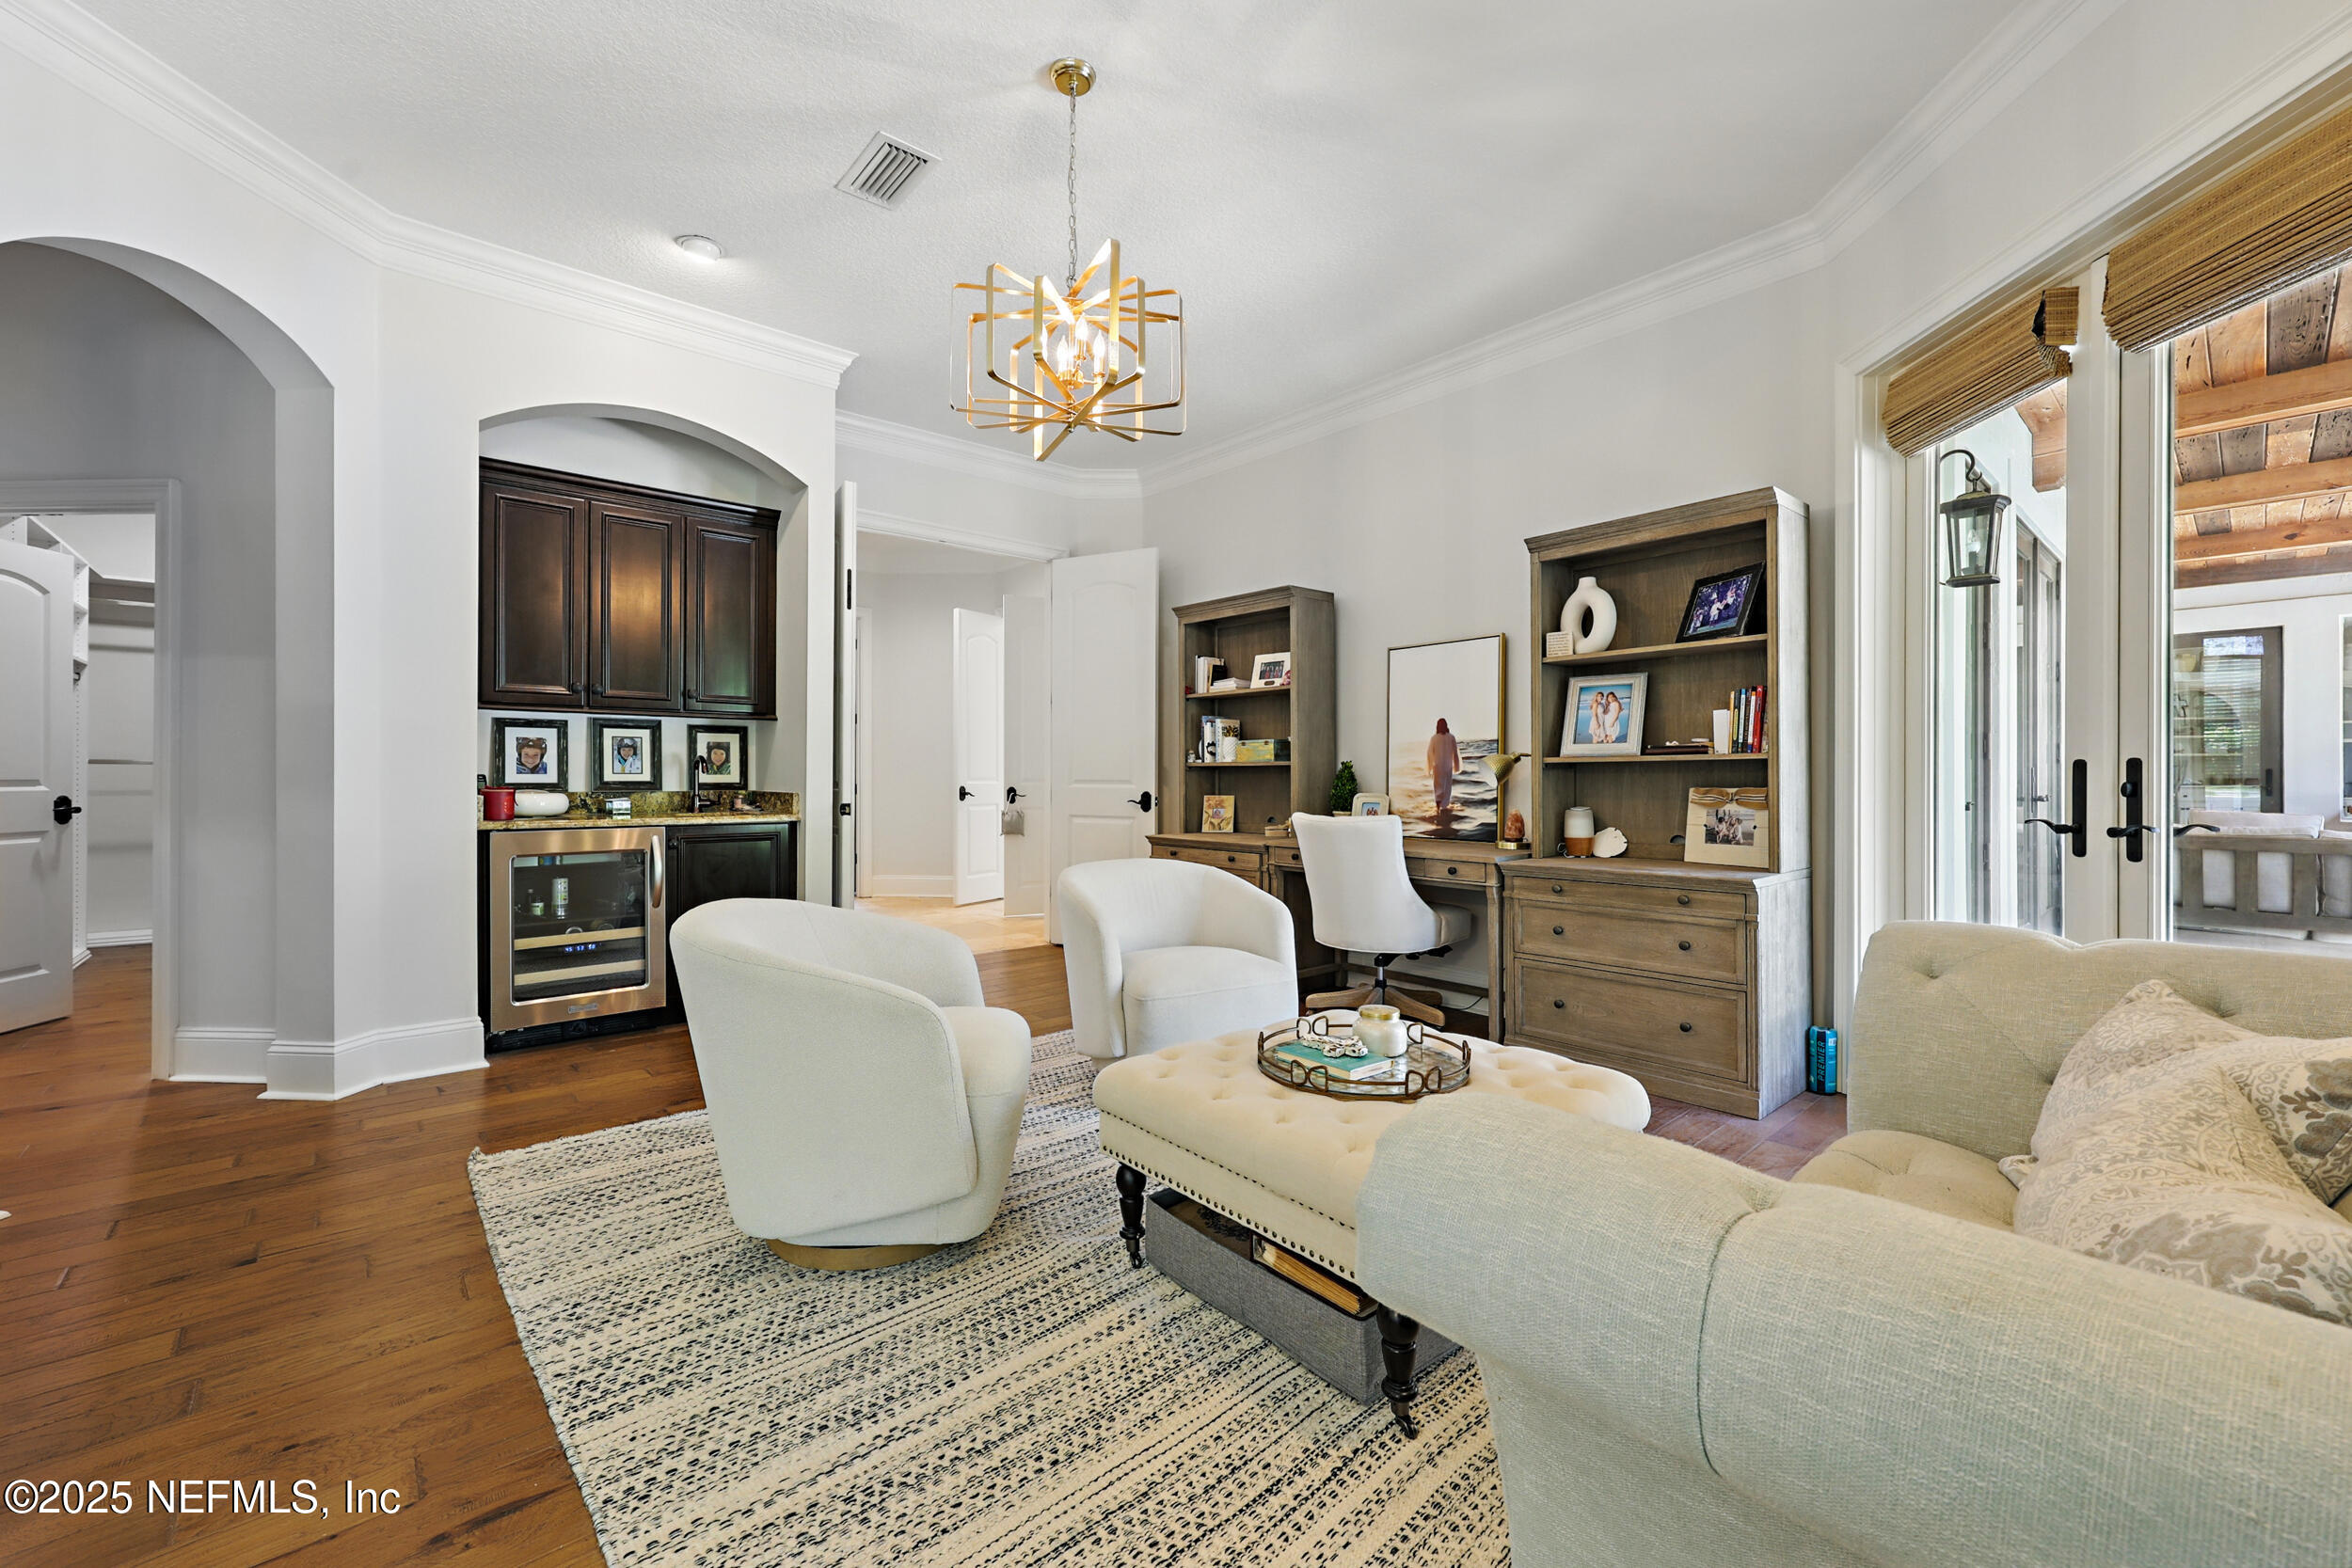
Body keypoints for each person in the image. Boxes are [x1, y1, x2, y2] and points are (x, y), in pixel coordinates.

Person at [1426, 718, 1460, 813]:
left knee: (1437, 786)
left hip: (1437, 766)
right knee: (1447, 787)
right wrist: (1456, 766)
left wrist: (1429, 767)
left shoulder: (1434, 738)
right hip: (1448, 766)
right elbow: (1455, 753)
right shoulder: (1451, 737)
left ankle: (1438, 808)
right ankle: (1444, 807)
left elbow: (1429, 753)